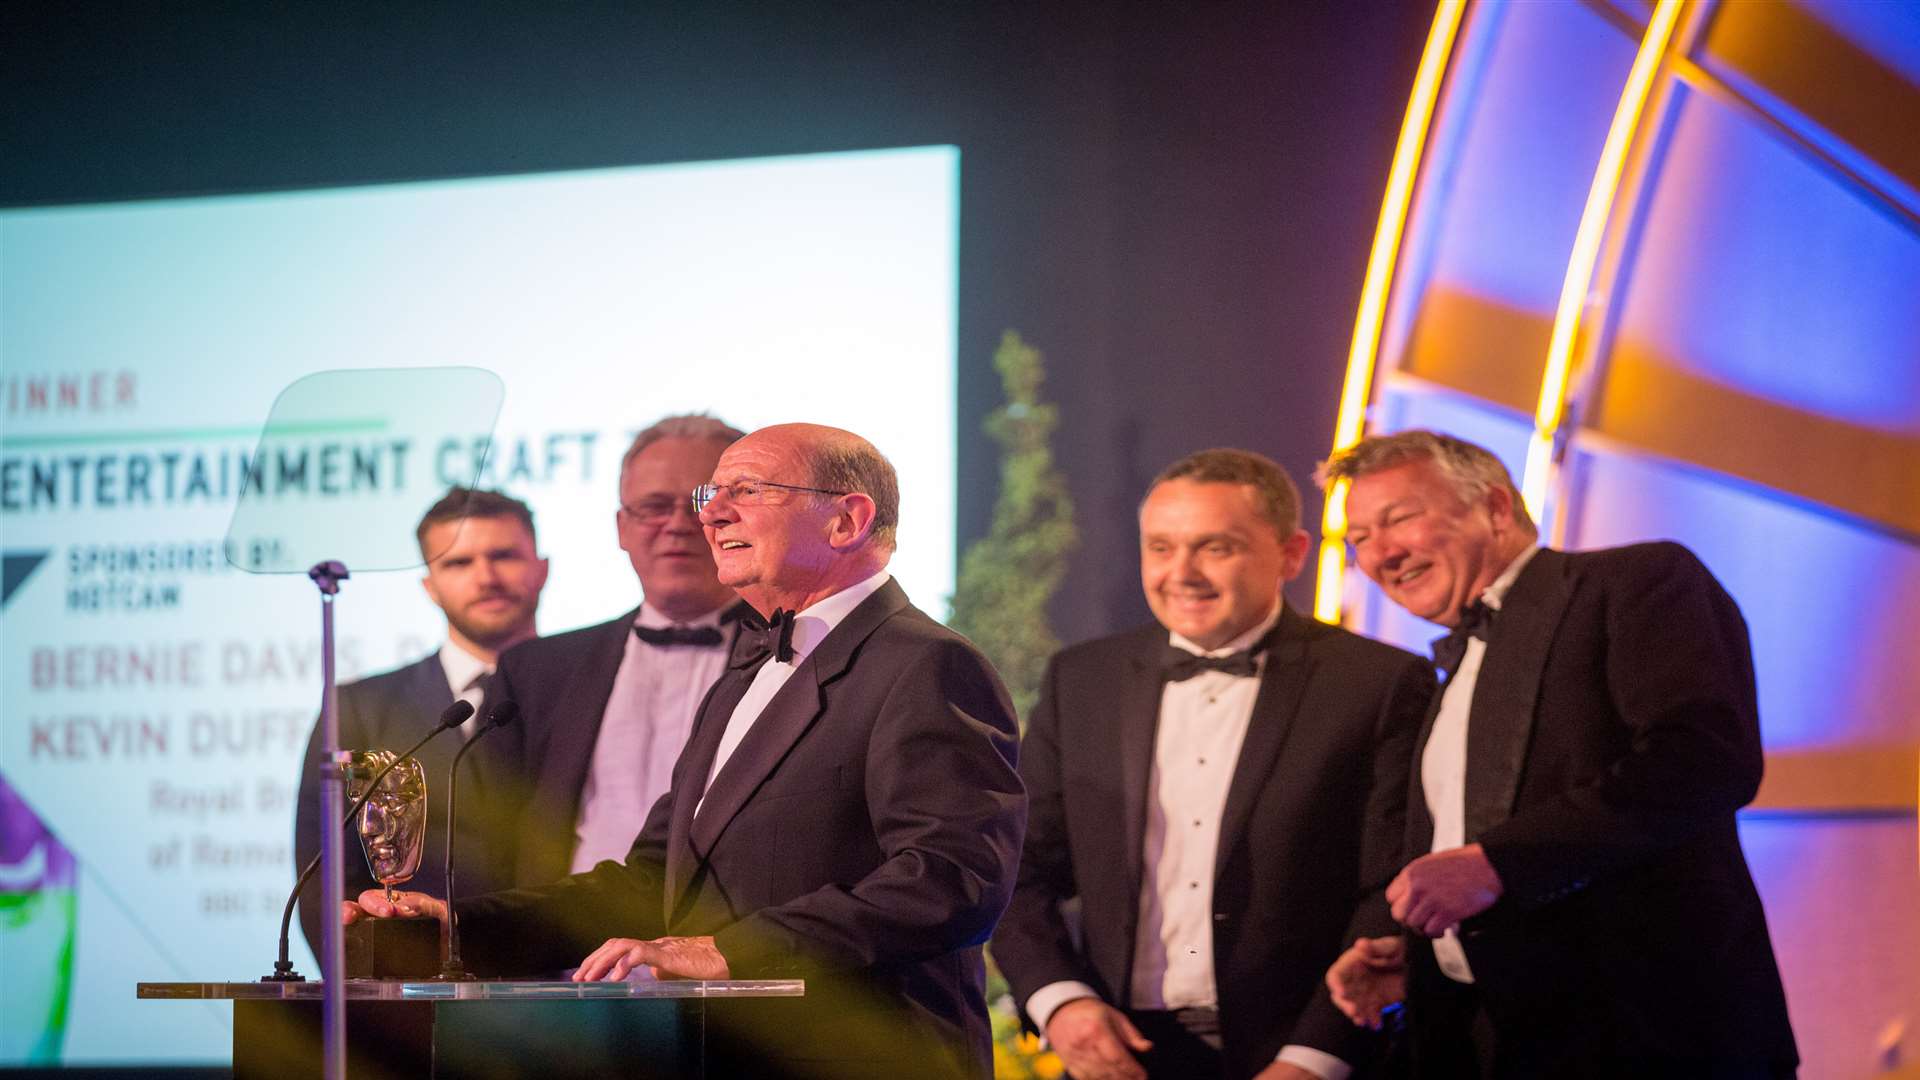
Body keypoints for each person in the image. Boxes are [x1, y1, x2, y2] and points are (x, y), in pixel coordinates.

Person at [349, 423, 1026, 1079]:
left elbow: (954, 879)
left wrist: (728, 951)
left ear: (846, 521)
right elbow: (653, 884)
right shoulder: (747, 670)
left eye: (747, 490)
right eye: (713, 495)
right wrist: (459, 931)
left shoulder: (928, 665)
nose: (711, 516)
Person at [1318, 430, 1798, 1078]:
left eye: (1399, 519)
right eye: (1359, 539)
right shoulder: (1451, 670)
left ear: (1494, 507)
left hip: (1648, 1046)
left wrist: (1500, 864)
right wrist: (1428, 956)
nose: (1380, 554)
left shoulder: (1637, 579)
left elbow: (1704, 758)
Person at [993, 449, 1433, 1080]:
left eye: (1215, 547)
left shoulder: (1379, 683)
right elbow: (1016, 870)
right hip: (1119, 1051)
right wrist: (1061, 1003)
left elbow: (1391, 885)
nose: (1182, 572)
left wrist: (1316, 1056)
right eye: (1161, 547)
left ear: (1291, 553)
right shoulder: (1083, 678)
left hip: (1297, 1055)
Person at [480, 414, 753, 889]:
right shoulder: (535, 671)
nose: (676, 525)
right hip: (562, 954)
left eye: (701, 503)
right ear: (622, 527)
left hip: (734, 954)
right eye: (653, 506)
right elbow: (488, 842)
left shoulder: (797, 656)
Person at [293, 486, 549, 953]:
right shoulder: (360, 707)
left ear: (542, 568)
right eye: (458, 562)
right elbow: (323, 880)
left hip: (576, 983)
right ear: (428, 585)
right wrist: (370, 1002)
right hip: (412, 989)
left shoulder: (592, 691)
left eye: (504, 555)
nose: (486, 577)